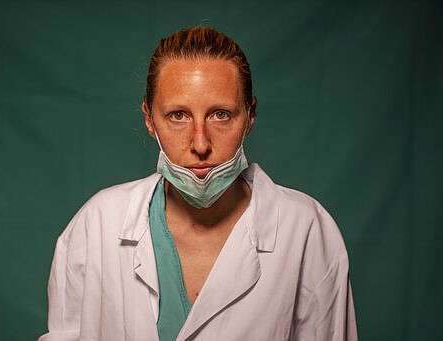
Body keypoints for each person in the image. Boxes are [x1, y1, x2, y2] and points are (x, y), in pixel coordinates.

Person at [38, 27, 357, 341]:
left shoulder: (306, 230)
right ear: (150, 119)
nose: (200, 143)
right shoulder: (97, 225)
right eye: (178, 115)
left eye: (220, 114)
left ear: (249, 116)